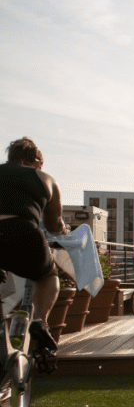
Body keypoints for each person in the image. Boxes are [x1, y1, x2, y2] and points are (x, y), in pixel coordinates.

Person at [0, 137, 68, 342]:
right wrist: (62, 228)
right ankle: (39, 321)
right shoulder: (45, 178)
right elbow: (52, 225)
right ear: (37, 159)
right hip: (21, 231)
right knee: (47, 276)